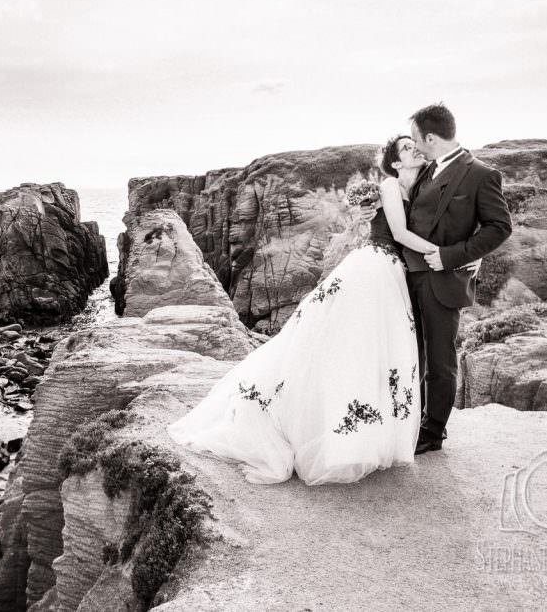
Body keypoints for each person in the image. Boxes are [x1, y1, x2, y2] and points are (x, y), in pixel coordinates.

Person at [167, 135, 452, 484]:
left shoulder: (418, 184)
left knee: (373, 350)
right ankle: (338, 435)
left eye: (414, 146)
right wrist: (448, 255)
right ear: (394, 163)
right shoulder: (392, 186)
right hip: (377, 268)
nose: (415, 150)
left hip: (391, 272)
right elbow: (400, 233)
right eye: (407, 148)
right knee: (352, 345)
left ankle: (363, 435)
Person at [400, 103, 512, 454]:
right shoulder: (425, 169)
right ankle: (408, 421)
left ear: (431, 137)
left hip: (443, 281)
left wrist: (453, 256)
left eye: (417, 138)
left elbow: (499, 227)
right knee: (410, 355)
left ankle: (433, 432)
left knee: (440, 360)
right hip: (408, 278)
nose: (414, 145)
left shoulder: (479, 173)